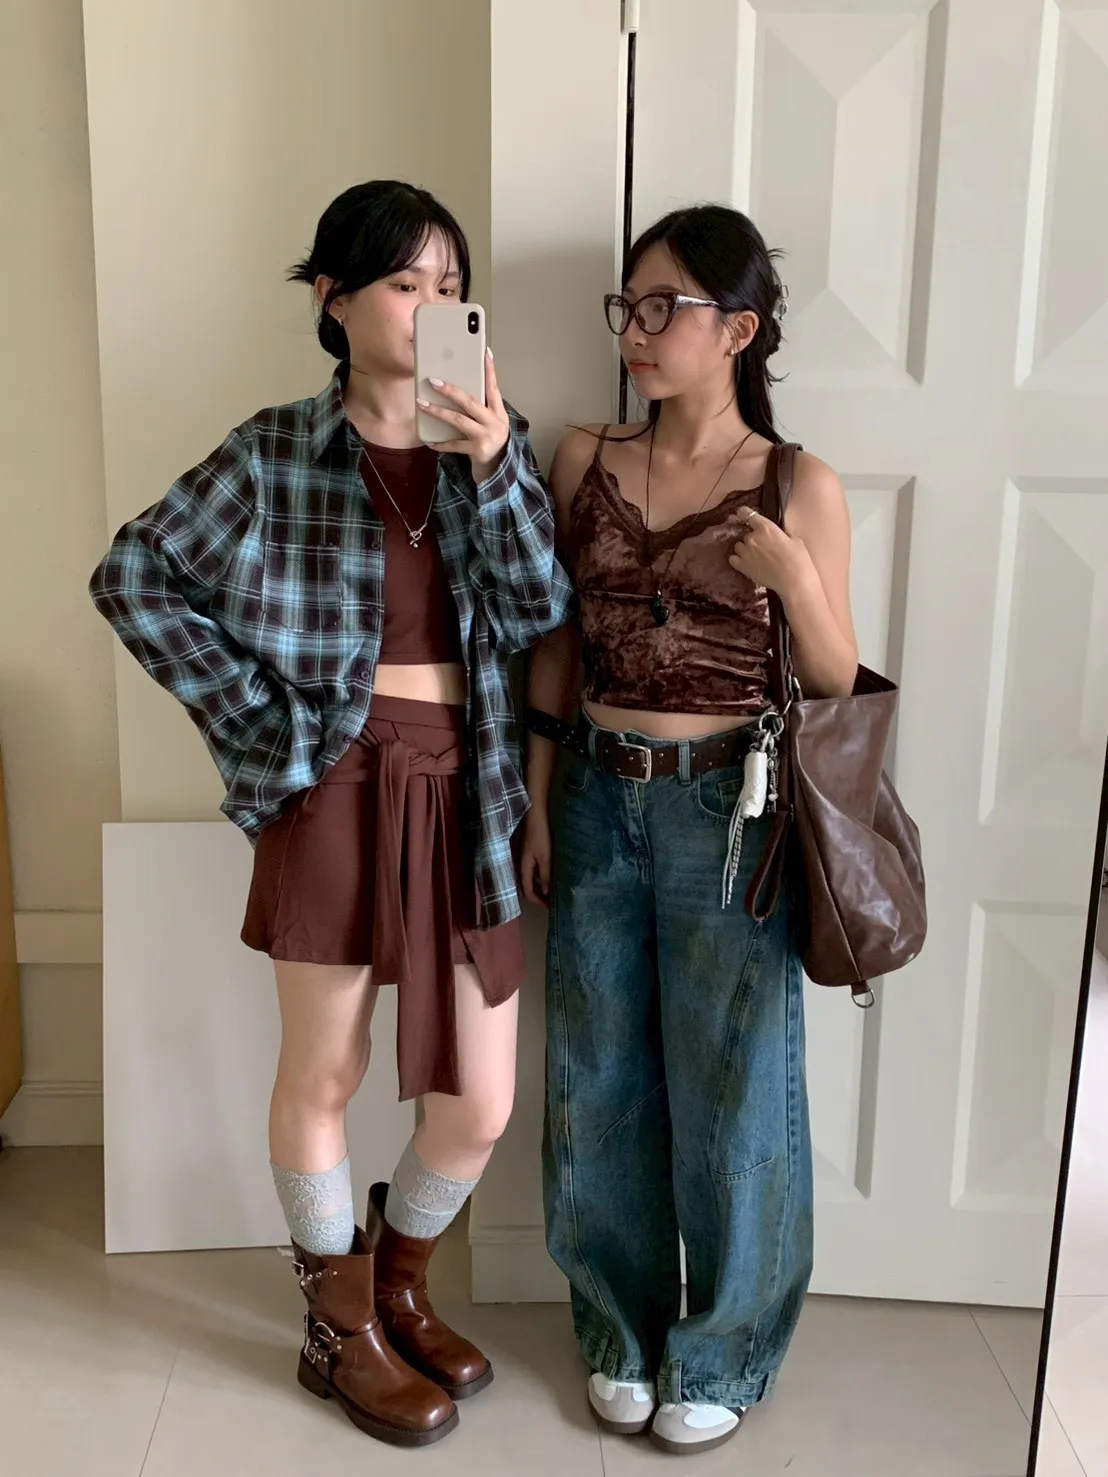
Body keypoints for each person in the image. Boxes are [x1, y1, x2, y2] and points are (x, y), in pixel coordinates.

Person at [90, 179, 573, 1449]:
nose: (431, 306)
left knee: (478, 1099)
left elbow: (538, 612)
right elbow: (133, 574)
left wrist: (492, 465)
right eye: (405, 283)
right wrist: (269, 726)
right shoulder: (272, 453)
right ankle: (337, 1325)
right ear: (334, 298)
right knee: (326, 1067)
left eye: (449, 286)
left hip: (470, 783)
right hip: (337, 778)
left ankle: (395, 1285)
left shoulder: (490, 442)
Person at [521, 204, 858, 1456]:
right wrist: (538, 797)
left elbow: (836, 677)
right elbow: (554, 643)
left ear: (739, 329)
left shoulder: (797, 482)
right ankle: (616, 1327)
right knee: (596, 1071)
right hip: (596, 792)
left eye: (665, 306)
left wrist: (796, 580)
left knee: (735, 1088)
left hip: (733, 807)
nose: (638, 329)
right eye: (629, 305)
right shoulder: (582, 457)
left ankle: (721, 1349)